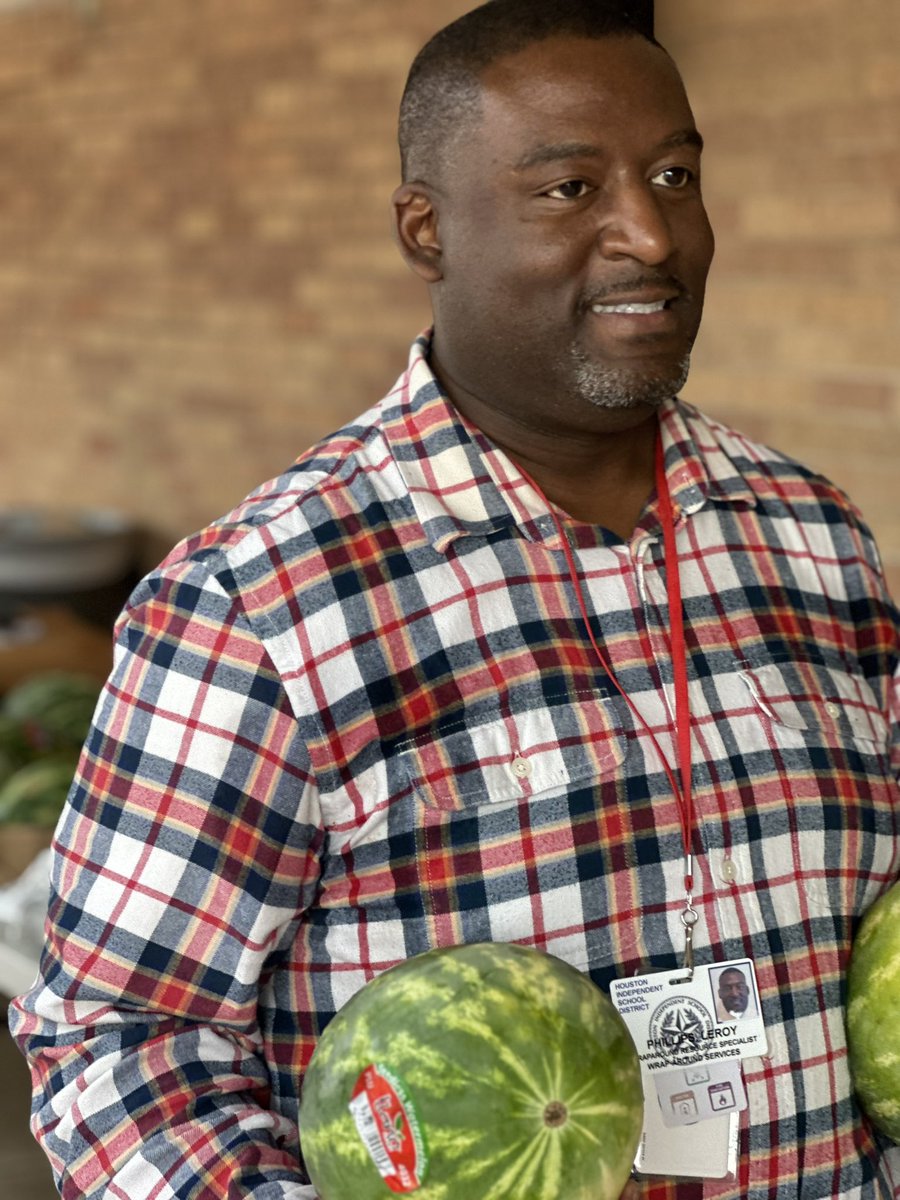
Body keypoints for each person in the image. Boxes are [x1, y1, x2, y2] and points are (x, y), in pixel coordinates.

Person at [10, 1, 900, 1197]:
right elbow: (119, 1046)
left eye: (674, 176)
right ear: (426, 230)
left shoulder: (816, 540)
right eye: (570, 189)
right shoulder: (264, 601)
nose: (650, 233)